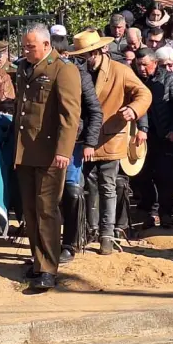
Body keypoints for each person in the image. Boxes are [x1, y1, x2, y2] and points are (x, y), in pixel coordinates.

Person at [69, 30, 151, 255]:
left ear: (97, 51)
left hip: (111, 137)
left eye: (86, 55)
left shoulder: (120, 70)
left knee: (108, 185)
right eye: (81, 56)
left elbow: (144, 93)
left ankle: (107, 234)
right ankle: (90, 230)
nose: (84, 60)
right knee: (86, 186)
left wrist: (133, 110)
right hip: (85, 138)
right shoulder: (78, 71)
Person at [14, 23, 81, 290]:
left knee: (47, 210)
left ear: (46, 45)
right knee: (30, 210)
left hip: (52, 153)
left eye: (31, 46)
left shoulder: (63, 70)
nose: (26, 50)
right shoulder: (23, 68)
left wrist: (64, 151)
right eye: (25, 46)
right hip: (26, 150)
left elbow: (70, 115)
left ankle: (49, 268)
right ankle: (37, 260)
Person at [49, 35, 103, 264]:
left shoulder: (79, 74)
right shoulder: (36, 72)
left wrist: (90, 142)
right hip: (46, 143)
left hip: (74, 143)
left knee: (71, 193)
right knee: (47, 196)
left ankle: (69, 243)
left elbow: (95, 111)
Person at [133, 48, 173, 228]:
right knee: (144, 175)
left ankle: (165, 212)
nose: (141, 68)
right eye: (138, 64)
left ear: (155, 63)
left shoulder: (170, 79)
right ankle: (151, 211)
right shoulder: (135, 80)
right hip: (142, 137)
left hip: (165, 135)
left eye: (144, 65)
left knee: (165, 177)